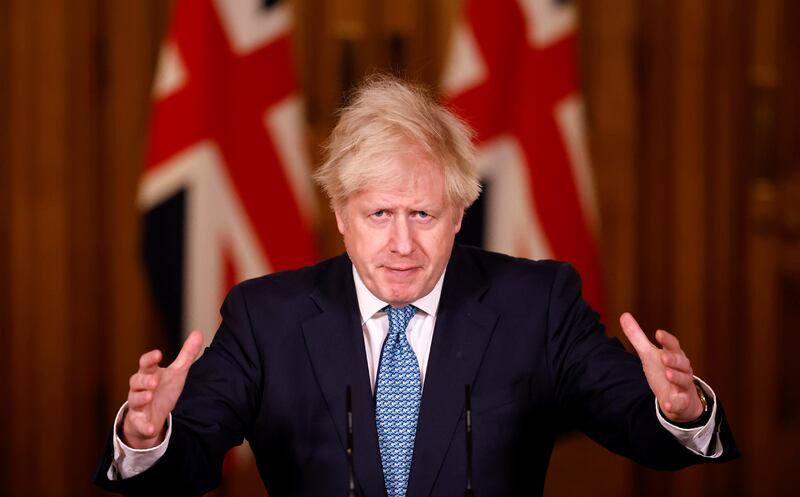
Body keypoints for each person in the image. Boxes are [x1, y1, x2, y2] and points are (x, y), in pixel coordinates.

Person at [94, 75, 738, 497]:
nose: (402, 244)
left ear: (459, 214)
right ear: (342, 216)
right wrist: (148, 437)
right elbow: (185, 463)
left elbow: (640, 425)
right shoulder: (268, 316)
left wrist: (680, 412)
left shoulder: (535, 304)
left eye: (423, 215)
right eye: (379, 215)